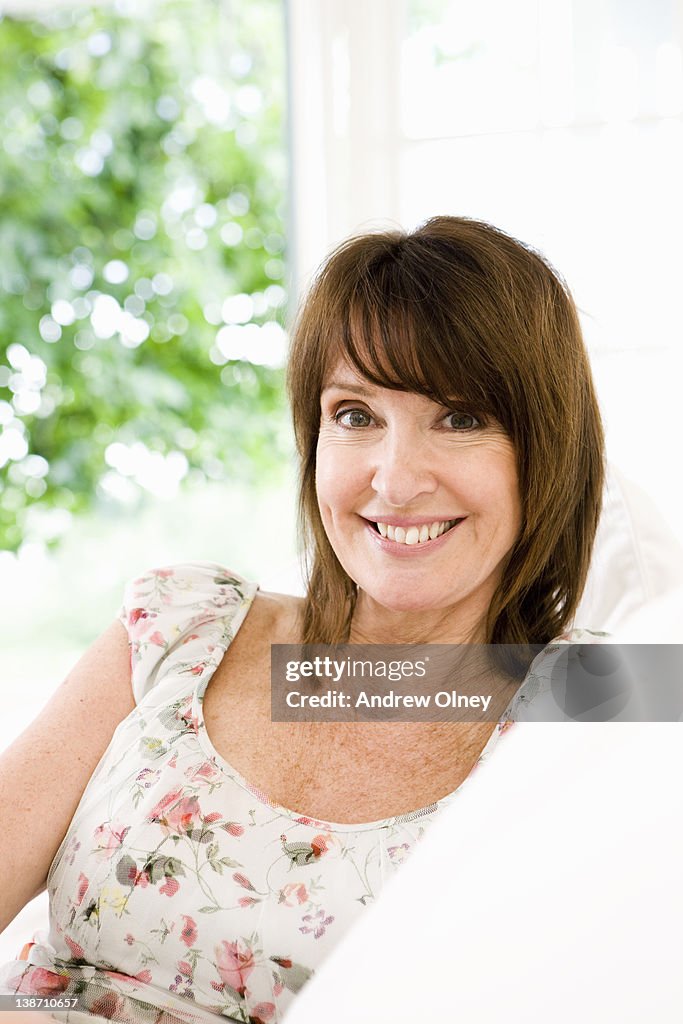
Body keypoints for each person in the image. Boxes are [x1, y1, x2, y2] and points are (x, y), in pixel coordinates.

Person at [0, 216, 605, 1023]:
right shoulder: (186, 623)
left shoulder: (601, 703)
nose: (394, 482)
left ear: (546, 448)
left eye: (460, 418)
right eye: (355, 414)